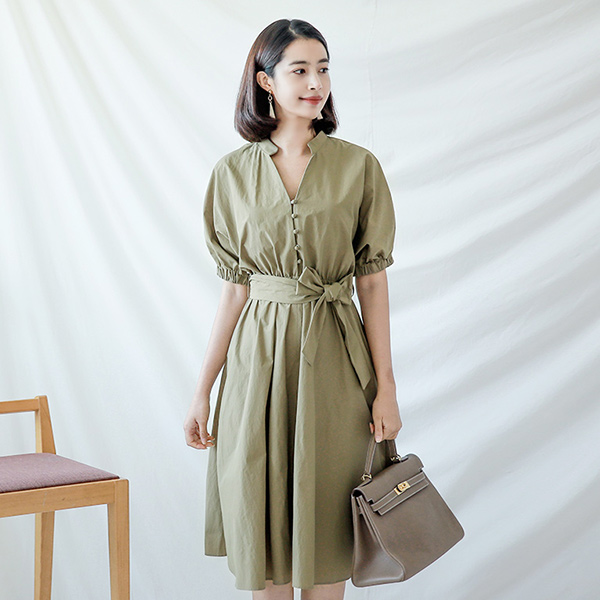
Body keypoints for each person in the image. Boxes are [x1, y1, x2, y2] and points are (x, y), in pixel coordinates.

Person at [183, 18, 403, 600]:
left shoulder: (358, 167)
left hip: (337, 364)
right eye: (299, 70)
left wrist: (386, 387)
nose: (315, 83)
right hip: (257, 366)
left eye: (323, 69)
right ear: (266, 81)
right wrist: (203, 390)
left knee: (330, 527)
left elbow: (372, 284)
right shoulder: (232, 174)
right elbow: (235, 290)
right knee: (264, 528)